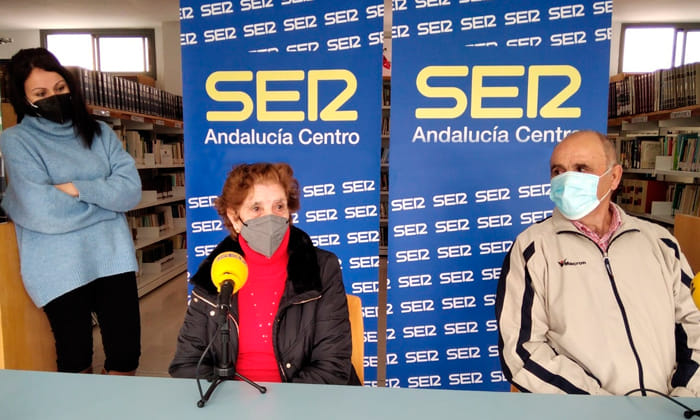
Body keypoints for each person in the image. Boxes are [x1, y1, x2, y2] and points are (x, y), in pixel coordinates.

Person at [496, 130, 700, 396]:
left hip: (667, 408)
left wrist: (685, 394)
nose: (567, 179)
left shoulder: (661, 243)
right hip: (585, 410)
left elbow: (693, 322)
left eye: (581, 168)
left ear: (614, 177)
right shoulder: (532, 248)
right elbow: (521, 351)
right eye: (558, 171)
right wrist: (600, 406)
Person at [0, 48, 142, 375]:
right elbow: (41, 210)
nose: (54, 97)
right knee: (75, 360)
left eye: (60, 88)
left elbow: (130, 191)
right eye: (40, 93)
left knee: (126, 357)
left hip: (113, 258)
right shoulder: (16, 140)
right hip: (57, 267)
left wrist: (75, 188)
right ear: (23, 99)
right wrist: (106, 205)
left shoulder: (100, 132)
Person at [169, 162, 360, 385]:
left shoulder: (322, 267)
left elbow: (331, 366)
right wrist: (230, 400)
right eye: (256, 208)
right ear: (234, 218)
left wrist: (282, 403)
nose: (270, 218)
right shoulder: (215, 273)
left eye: (279, 206)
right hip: (230, 400)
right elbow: (187, 364)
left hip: (304, 401)